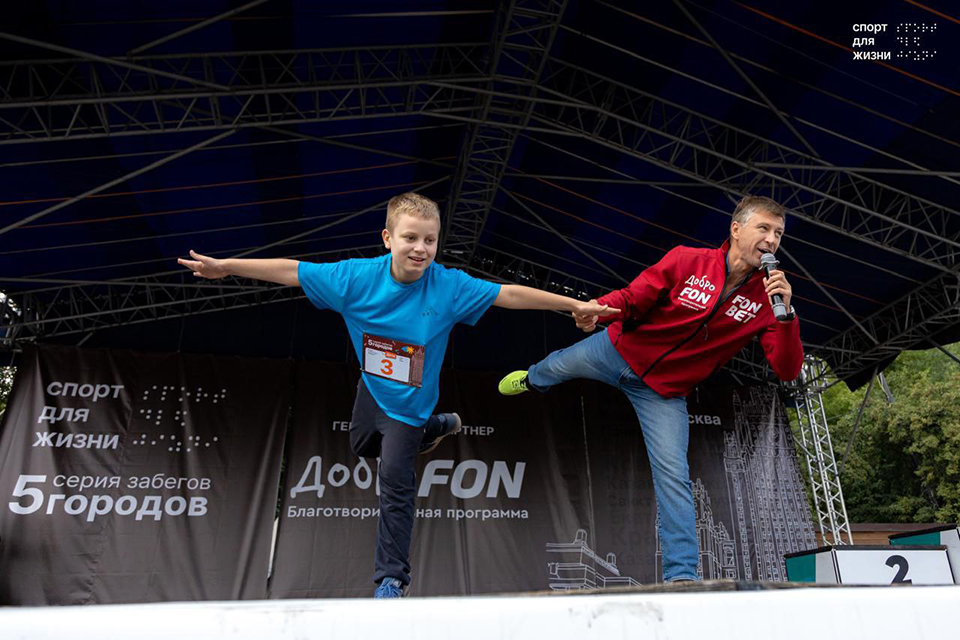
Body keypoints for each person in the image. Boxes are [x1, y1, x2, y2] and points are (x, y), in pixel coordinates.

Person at [177, 192, 618, 598]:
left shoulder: (448, 286)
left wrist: (572, 305)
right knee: (361, 445)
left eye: (430, 240)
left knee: (394, 481)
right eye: (410, 238)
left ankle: (391, 580)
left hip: (410, 407)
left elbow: (509, 295)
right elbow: (292, 271)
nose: (420, 249)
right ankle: (437, 427)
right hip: (373, 389)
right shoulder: (354, 278)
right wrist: (227, 266)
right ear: (388, 238)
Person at [498, 195, 804, 583]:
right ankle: (531, 379)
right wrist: (599, 308)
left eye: (778, 233)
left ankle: (682, 577)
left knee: (674, 477)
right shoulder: (688, 261)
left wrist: (787, 316)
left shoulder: (769, 299)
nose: (772, 239)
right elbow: (635, 296)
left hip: (663, 392)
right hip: (616, 351)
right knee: (556, 366)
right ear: (736, 229)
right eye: (764, 228)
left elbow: (787, 368)